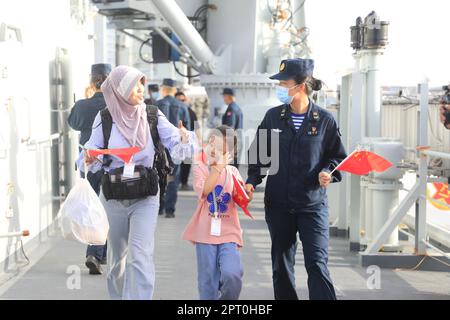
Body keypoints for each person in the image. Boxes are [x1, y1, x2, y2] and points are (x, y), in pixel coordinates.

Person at [77, 65, 196, 300]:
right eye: (135, 85)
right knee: (116, 261)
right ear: (120, 90)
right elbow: (86, 155)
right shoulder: (105, 118)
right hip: (113, 196)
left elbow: (178, 143)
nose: (141, 89)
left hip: (145, 196)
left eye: (142, 83)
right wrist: (89, 157)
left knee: (140, 255)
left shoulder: (152, 114)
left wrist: (184, 137)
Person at [245, 58, 347, 300]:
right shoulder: (273, 117)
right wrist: (251, 181)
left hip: (312, 205)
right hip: (279, 204)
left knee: (317, 264)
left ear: (301, 85)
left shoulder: (324, 120)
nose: (279, 87)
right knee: (281, 266)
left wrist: (328, 172)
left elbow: (337, 157)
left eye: (283, 82)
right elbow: (259, 155)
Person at [182, 125, 249, 300]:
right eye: (213, 147)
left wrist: (246, 192)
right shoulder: (200, 168)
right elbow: (204, 190)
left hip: (229, 232)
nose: (216, 152)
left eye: (222, 150)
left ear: (231, 154)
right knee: (207, 282)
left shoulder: (233, 172)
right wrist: (217, 168)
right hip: (205, 233)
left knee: (232, 274)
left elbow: (241, 197)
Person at [68, 63, 111, 275]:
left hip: (88, 163)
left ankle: (95, 252)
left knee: (92, 206)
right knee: (108, 208)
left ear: (93, 81)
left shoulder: (83, 105)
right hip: (113, 163)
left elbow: (72, 123)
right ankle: (98, 253)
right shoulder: (117, 104)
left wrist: (85, 99)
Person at [156, 79, 191, 218]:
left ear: (163, 89)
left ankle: (159, 207)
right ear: (174, 90)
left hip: (160, 147)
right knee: (173, 177)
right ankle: (170, 210)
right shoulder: (182, 106)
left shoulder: (156, 105)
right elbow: (187, 128)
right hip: (176, 147)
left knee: (158, 175)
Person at [176, 91, 198, 190]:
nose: (181, 102)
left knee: (187, 163)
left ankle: (184, 182)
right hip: (176, 142)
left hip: (188, 142)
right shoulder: (173, 111)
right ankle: (174, 182)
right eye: (179, 100)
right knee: (175, 163)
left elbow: (197, 127)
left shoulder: (191, 112)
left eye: (183, 100)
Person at [221, 88, 243, 168]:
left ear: (228, 96)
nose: (223, 98)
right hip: (237, 140)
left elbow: (230, 128)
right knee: (234, 168)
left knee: (230, 168)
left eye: (224, 96)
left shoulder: (231, 109)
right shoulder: (236, 107)